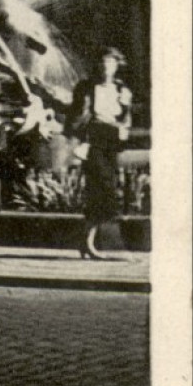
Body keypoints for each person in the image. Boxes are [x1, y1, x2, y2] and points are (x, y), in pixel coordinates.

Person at [68, 47, 134, 261]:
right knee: (103, 189)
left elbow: (125, 119)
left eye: (111, 63)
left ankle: (86, 242)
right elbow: (76, 116)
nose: (106, 67)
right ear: (97, 65)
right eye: (103, 62)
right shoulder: (87, 87)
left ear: (117, 66)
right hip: (94, 141)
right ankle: (88, 241)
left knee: (102, 192)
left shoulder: (121, 89)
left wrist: (125, 109)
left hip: (111, 142)